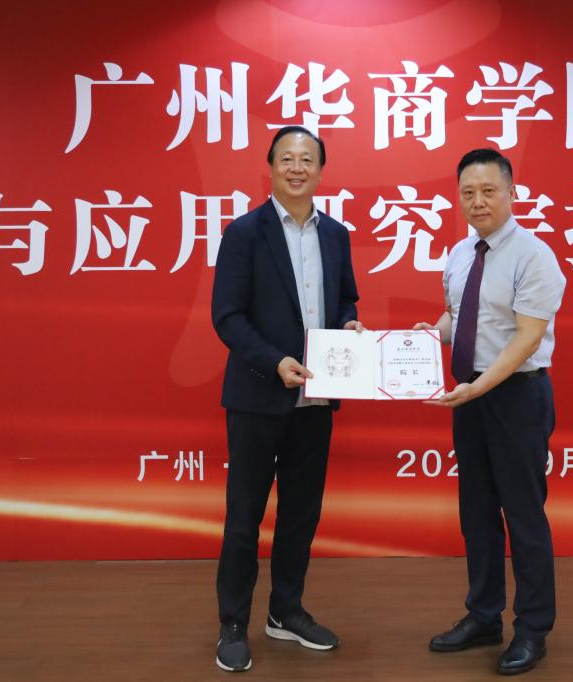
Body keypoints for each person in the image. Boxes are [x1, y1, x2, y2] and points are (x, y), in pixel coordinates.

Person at [211, 125, 362, 673]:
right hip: (258, 397)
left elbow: (346, 300)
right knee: (244, 517)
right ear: (271, 166)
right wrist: (274, 361)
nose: (297, 168)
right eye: (287, 159)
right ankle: (233, 623)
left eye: (307, 160)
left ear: (321, 170)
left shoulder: (336, 235)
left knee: (300, 515)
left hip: (316, 400)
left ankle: (286, 611)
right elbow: (227, 316)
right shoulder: (244, 233)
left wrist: (349, 325)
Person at [415, 148, 565, 676]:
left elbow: (526, 340)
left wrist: (477, 388)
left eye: (488, 191)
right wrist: (424, 337)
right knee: (476, 513)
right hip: (471, 396)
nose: (477, 201)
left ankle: (533, 628)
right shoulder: (460, 254)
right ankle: (483, 616)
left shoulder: (534, 256)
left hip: (517, 396)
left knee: (523, 515)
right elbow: (458, 316)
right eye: (468, 193)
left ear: (511, 193)